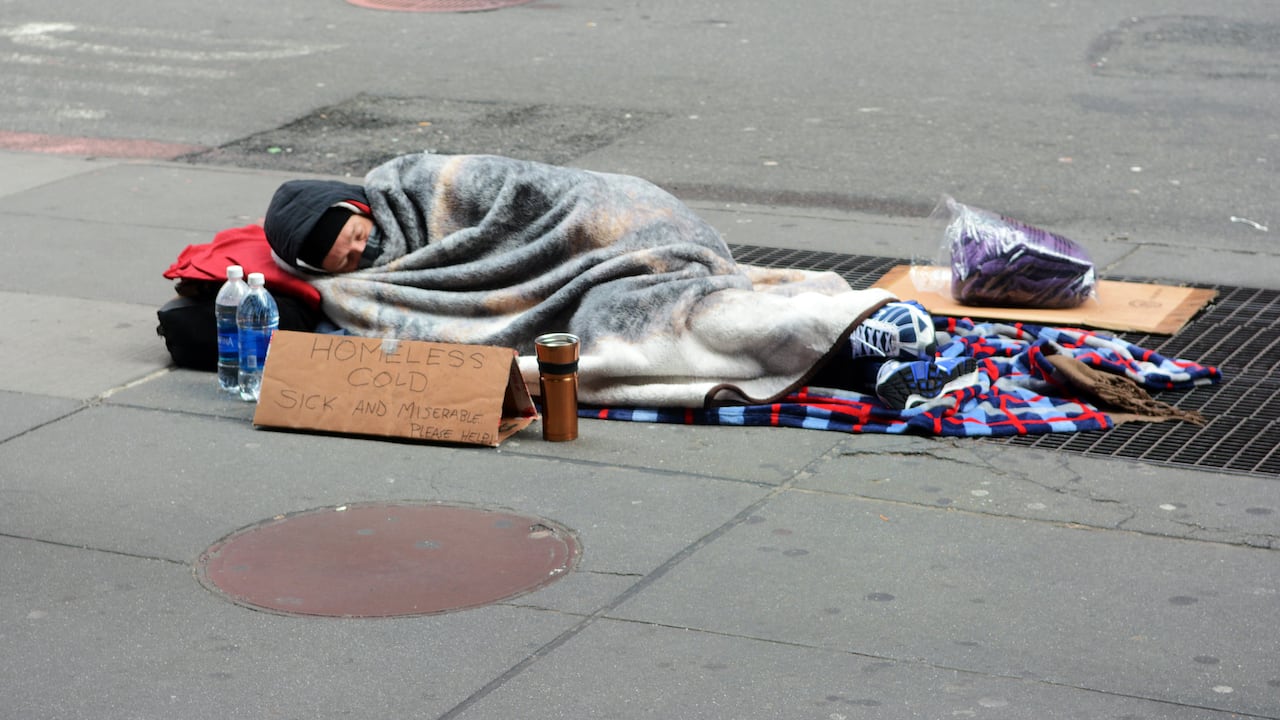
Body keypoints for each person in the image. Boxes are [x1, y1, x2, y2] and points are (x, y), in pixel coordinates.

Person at [261, 154, 979, 410]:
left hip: (616, 227)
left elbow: (525, 196)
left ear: (353, 205)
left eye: (349, 236)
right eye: (338, 260)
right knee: (627, 335)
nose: (354, 255)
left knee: (653, 318)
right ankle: (858, 355)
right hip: (580, 283)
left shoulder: (423, 181)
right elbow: (421, 312)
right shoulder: (357, 285)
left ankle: (851, 327)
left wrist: (571, 250)